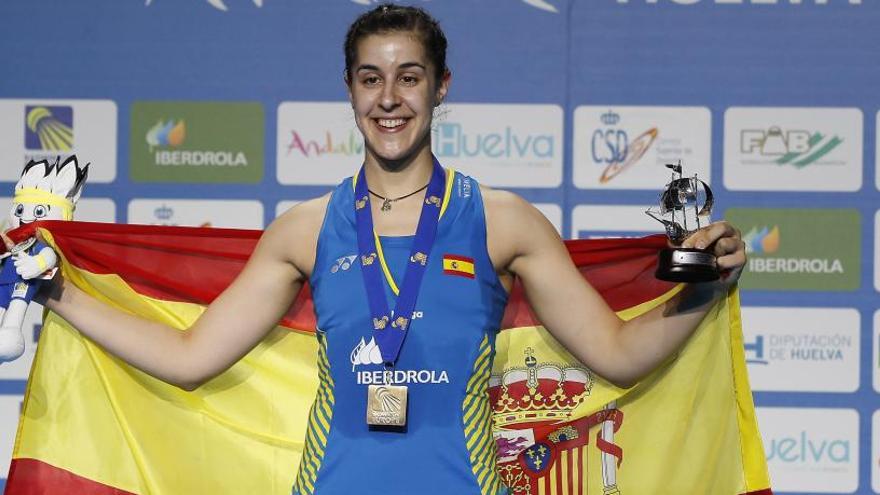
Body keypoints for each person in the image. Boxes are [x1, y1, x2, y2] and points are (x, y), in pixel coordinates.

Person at [33, 4, 745, 495]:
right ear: (349, 92)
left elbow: (618, 354)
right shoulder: (305, 230)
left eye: (409, 76)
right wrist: (57, 290)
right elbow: (187, 360)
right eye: (371, 78)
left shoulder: (502, 221)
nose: (390, 98)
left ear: (441, 87)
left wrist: (705, 287)